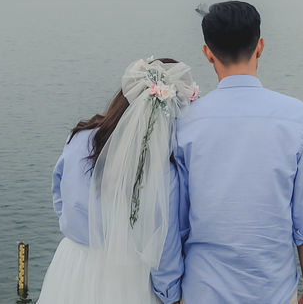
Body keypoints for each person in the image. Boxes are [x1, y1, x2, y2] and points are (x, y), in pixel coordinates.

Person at [165, 0, 303, 304]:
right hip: (273, 292)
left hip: (202, 290)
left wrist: (171, 295)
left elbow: (176, 223)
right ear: (260, 46)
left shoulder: (183, 121)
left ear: (207, 52)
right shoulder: (297, 117)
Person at [37, 57, 198, 304]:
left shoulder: (81, 138)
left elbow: (59, 195)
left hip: (72, 264)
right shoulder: (162, 170)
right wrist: (171, 296)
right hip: (128, 278)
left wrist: (78, 228)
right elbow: (164, 247)